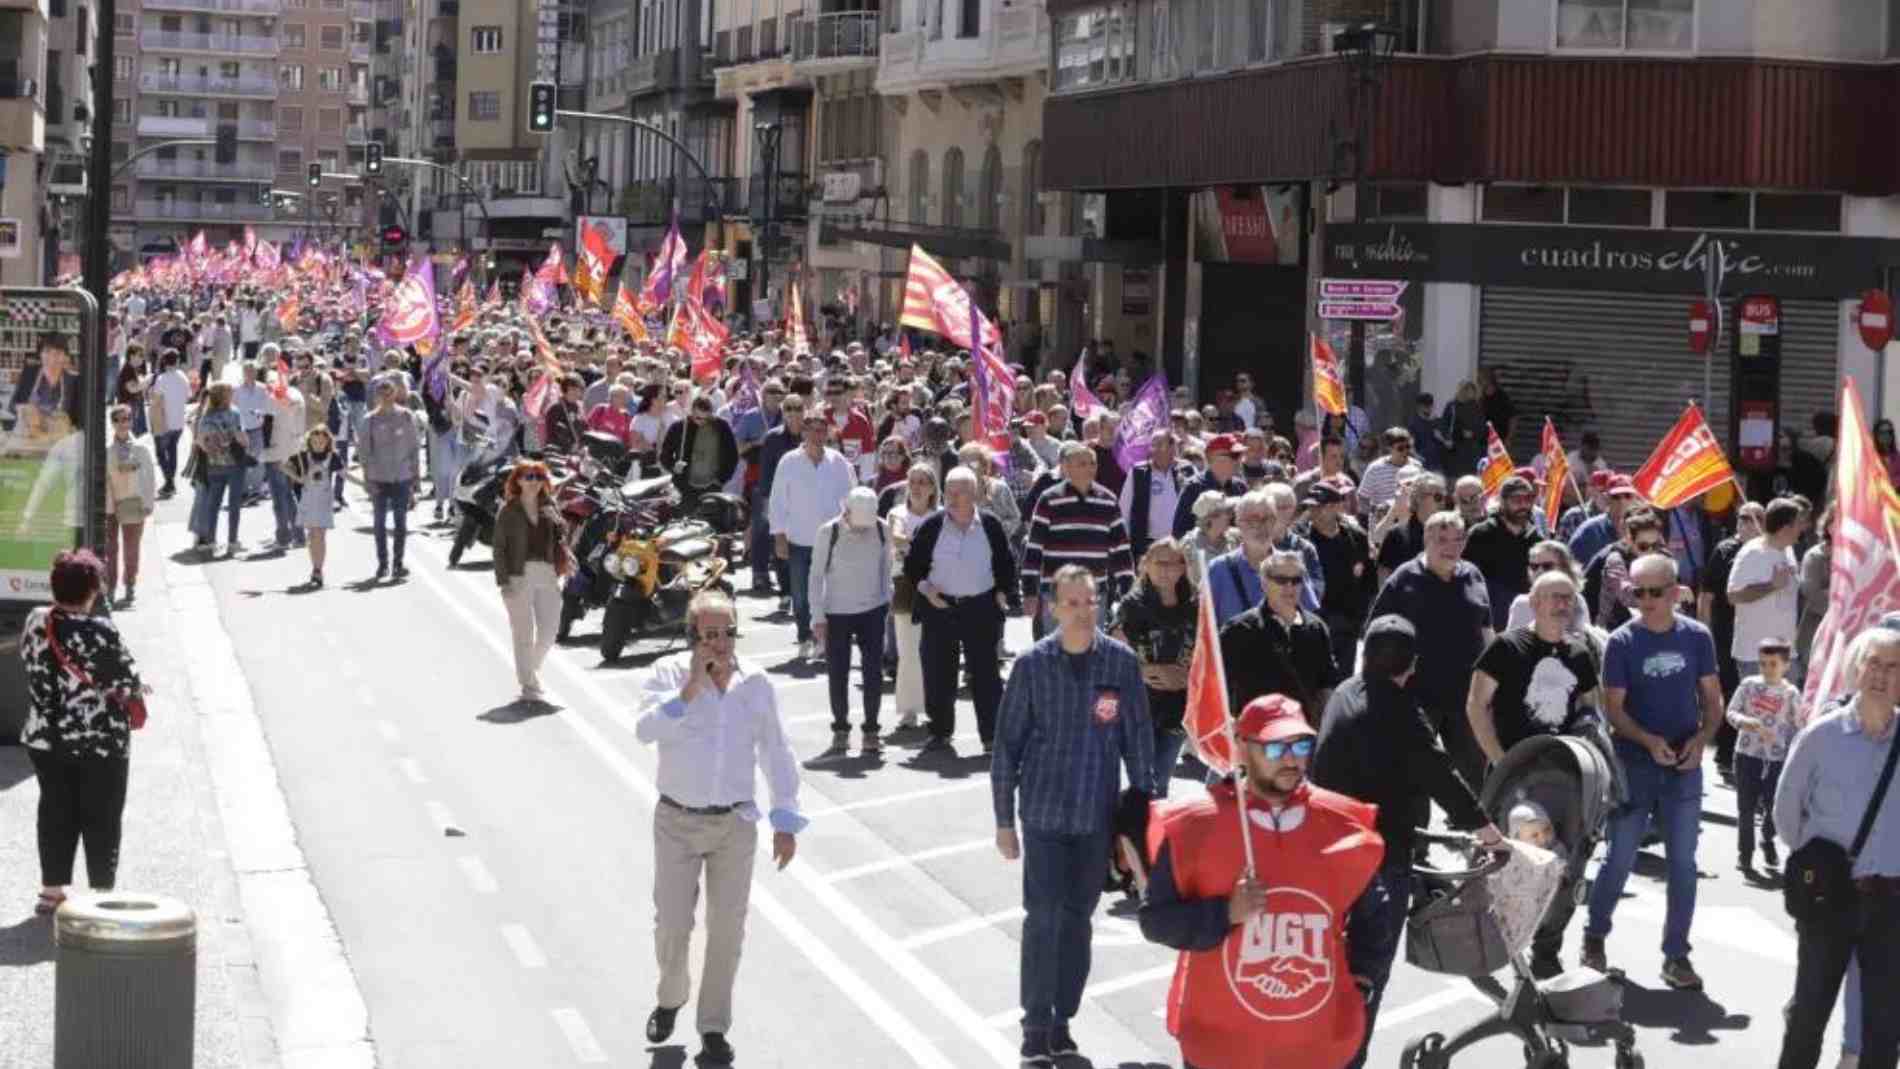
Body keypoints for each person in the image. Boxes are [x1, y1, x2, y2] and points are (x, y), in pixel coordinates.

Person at [1138, 694, 1384, 1069]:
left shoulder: (1343, 823)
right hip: (1221, 1048)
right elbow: (1156, 920)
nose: (1291, 758)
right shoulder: (1194, 826)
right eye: (1275, 747)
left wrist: (1362, 980)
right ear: (1241, 747)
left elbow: (1375, 912)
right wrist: (1224, 913)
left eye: (1301, 745)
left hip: (1314, 1048)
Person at [1311, 617, 1500, 1064]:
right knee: (1367, 974)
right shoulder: (1401, 713)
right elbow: (1443, 778)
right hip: (1377, 862)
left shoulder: (1343, 695)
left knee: (1325, 967)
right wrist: (1491, 835)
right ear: (1411, 666)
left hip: (1324, 858)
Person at [633, 591, 804, 1067]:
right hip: (677, 822)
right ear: (693, 637)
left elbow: (776, 752)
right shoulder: (666, 675)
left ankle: (712, 1026)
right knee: (672, 925)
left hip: (734, 825)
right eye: (710, 634)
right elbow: (645, 731)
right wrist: (690, 688)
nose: (721, 643)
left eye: (728, 632)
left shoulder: (756, 684)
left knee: (727, 931)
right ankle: (671, 998)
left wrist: (785, 820)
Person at [992, 565, 1153, 1066]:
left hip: (1094, 818)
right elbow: (1006, 749)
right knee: (1043, 919)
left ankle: (1063, 1020)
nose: (1083, 611)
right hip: (1042, 816)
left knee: (1078, 921)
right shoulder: (1032, 666)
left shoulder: (1121, 664)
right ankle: (1035, 1024)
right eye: (1072, 603)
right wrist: (1004, 822)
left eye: (1090, 602)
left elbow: (1140, 743)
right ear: (1053, 607)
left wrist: (1142, 821)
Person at [1584, 553, 1723, 991]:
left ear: (1675, 592)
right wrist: (1648, 742)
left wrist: (1701, 741)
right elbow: (1614, 711)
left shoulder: (1697, 637)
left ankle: (1677, 956)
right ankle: (1594, 937)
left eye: (1654, 592)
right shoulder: (1622, 643)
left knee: (1683, 864)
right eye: (1636, 592)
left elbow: (1713, 702)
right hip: (1634, 766)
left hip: (1684, 768)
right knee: (1619, 857)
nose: (1644, 601)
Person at [1774, 626, 1900, 1069]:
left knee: (1885, 1030)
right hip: (1830, 896)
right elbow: (1786, 811)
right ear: (1855, 668)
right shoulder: (1821, 737)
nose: (1881, 674)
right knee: (1810, 1014)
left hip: (1891, 904)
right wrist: (1817, 863)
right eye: (1873, 663)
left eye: (1893, 666)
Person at [21, 550, 147, 915]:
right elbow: (128, 682)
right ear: (92, 590)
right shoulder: (100, 630)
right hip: (100, 741)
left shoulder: (36, 621)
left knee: (55, 811)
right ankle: (99, 893)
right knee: (102, 815)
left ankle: (51, 890)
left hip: (46, 738)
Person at [1368, 509, 1494, 788]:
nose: (1452, 547)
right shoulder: (1404, 578)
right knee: (1412, 773)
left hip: (1465, 695)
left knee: (1474, 775)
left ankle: (1475, 829)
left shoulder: (1473, 575)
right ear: (1426, 538)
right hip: (1417, 694)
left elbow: (1487, 631)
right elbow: (1375, 633)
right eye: (1442, 539)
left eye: (1458, 539)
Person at [903, 467, 1016, 753]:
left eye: (961, 490)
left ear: (975, 493)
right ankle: (939, 732)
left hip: (981, 607)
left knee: (986, 675)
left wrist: (1003, 592)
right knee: (939, 673)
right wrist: (927, 590)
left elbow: (1005, 562)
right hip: (940, 608)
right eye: (949, 490)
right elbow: (912, 568)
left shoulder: (990, 524)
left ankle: (991, 736)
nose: (953, 496)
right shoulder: (931, 526)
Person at [1468, 568, 1602, 770]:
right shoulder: (1506, 646)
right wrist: (1501, 761)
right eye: (1556, 597)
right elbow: (1476, 706)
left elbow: (1590, 709)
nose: (1563, 605)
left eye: (1569, 598)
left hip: (1561, 769)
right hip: (1511, 767)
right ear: (1534, 603)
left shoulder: (1579, 653)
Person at [808, 486, 893, 758]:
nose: (861, 531)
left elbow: (886, 567)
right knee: (838, 674)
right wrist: (818, 616)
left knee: (872, 673)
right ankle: (841, 730)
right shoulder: (828, 532)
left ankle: (871, 730)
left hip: (872, 611)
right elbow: (815, 576)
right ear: (846, 513)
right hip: (837, 612)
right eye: (857, 526)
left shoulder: (881, 529)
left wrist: (885, 602)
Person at [769, 404, 856, 661]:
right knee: (801, 594)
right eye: (813, 430)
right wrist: (779, 536)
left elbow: (851, 497)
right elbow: (777, 501)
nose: (818, 435)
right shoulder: (789, 462)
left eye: (822, 430)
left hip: (834, 541)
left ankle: (824, 639)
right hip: (799, 540)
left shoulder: (839, 462)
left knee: (830, 593)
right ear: (804, 432)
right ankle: (804, 636)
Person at [1112, 538, 1196, 797]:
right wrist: (1142, 672)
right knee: (1144, 780)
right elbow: (1114, 652)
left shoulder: (1195, 604)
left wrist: (1185, 677)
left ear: (1183, 568)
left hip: (1179, 707)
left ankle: (1152, 830)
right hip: (1140, 705)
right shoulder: (1132, 605)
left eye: (1174, 563)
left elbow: (1206, 653)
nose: (1166, 569)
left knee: (1161, 779)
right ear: (1145, 565)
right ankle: (1137, 831)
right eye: (1159, 562)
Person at [1021, 442, 1136, 629]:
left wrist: (1127, 592)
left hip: (1094, 593)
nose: (1090, 468)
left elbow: (1121, 550)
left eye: (1092, 463)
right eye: (1082, 463)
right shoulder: (1049, 499)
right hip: (1057, 593)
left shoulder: (1108, 500)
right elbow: (1034, 548)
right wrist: (1029, 592)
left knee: (1091, 652)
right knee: (1055, 651)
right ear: (1066, 467)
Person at [1220, 549, 1340, 720]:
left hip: (1303, 734)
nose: (1289, 587)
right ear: (1264, 583)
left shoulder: (1316, 628)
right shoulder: (1238, 630)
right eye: (1281, 580)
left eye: (1296, 580)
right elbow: (1218, 683)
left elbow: (1327, 683)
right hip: (1257, 735)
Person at [493, 459, 569, 703]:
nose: (534, 481)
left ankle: (530, 668)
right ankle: (528, 683)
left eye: (538, 476)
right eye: (528, 476)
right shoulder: (508, 510)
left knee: (549, 630)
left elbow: (564, 536)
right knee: (523, 633)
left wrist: (557, 521)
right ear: (517, 480)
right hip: (518, 573)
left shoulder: (550, 505)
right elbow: (499, 548)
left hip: (546, 571)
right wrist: (504, 582)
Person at [1728, 637, 1802, 875]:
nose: (1767, 669)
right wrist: (1745, 722)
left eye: (1773, 664)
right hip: (1746, 754)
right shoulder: (1749, 685)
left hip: (1776, 759)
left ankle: (1767, 839)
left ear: (1785, 665)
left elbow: (1800, 725)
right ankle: (1744, 854)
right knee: (1746, 807)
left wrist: (1792, 748)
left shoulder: (1791, 693)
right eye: (1762, 663)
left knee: (1773, 807)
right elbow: (1731, 712)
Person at [1701, 501, 1766, 773]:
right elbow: (1707, 594)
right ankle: (1725, 753)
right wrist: (1703, 630)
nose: (1744, 523)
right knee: (1729, 688)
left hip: (1756, 632)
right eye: (1741, 518)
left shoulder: (1768, 552)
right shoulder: (1725, 550)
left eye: (1752, 518)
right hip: (1725, 630)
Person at [885, 463, 939, 731]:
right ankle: (908, 710)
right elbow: (897, 539)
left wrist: (914, 546)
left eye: (922, 482)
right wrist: (925, 547)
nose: (916, 487)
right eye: (913, 481)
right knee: (908, 651)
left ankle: (935, 705)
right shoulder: (897, 513)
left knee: (936, 651)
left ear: (932, 488)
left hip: (939, 586)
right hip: (906, 586)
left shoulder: (942, 515)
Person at [1729, 498, 1803, 679]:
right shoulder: (1751, 553)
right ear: (1785, 529)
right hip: (1756, 658)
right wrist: (1771, 586)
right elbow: (1733, 596)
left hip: (1787, 655)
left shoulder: (1788, 551)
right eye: (1798, 524)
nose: (1802, 529)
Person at [358, 375, 422, 581]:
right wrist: (367, 479)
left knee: (400, 523)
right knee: (379, 523)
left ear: (395, 394)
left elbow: (414, 448)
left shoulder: (406, 416)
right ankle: (382, 563)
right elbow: (364, 453)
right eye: (381, 393)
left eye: (389, 393)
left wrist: (415, 478)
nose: (385, 397)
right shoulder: (370, 420)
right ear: (376, 396)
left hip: (402, 477)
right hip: (379, 477)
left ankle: (398, 563)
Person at [1464, 475, 1541, 630]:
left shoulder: (1536, 539)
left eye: (1528, 499)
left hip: (1524, 623)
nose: (1523, 505)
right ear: (1503, 502)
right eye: (1516, 500)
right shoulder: (1480, 534)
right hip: (1486, 622)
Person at [102, 405, 157, 606]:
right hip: (110, 504)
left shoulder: (142, 448)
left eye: (127, 418)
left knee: (131, 548)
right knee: (110, 550)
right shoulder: (107, 450)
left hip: (133, 502)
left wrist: (149, 503)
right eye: (119, 420)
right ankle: (110, 589)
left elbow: (150, 478)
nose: (124, 423)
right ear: (113, 423)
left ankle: (130, 584)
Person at [752, 391, 803, 600]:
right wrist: (766, 501)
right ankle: (785, 591)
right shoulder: (772, 437)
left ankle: (800, 589)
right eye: (788, 408)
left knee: (801, 545)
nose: (793, 413)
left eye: (797, 408)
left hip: (804, 500)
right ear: (783, 412)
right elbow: (765, 472)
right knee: (781, 545)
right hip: (779, 500)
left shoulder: (810, 435)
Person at [191, 382, 248, 556]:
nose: (233, 395)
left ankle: (210, 540)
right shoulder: (235, 413)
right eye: (230, 392)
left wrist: (212, 449)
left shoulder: (206, 416)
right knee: (234, 505)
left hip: (214, 465)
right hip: (234, 466)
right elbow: (243, 439)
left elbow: (199, 441)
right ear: (224, 396)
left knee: (213, 505)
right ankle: (232, 541)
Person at [284, 425, 341, 589]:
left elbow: (344, 473)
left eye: (322, 442)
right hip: (308, 501)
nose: (318, 445)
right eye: (315, 442)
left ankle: (318, 569)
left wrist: (366, 484)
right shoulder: (302, 457)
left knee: (320, 535)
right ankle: (315, 566)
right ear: (310, 441)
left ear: (327, 442)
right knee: (312, 535)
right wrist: (298, 478)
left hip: (324, 502)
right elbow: (283, 465)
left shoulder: (333, 457)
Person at [1120, 430, 1192, 561]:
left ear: (1172, 447)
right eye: (1153, 445)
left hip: (1179, 543)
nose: (1154, 449)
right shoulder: (1138, 473)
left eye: (1159, 444)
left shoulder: (1187, 470)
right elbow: (1124, 509)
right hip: (1146, 545)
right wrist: (1123, 544)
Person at [660, 394, 741, 499]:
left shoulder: (721, 426)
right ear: (692, 411)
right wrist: (673, 466)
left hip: (711, 486)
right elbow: (665, 454)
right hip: (684, 486)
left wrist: (721, 479)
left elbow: (732, 455)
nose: (701, 422)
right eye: (698, 418)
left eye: (706, 418)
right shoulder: (679, 427)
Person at [262, 372, 308, 550]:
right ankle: (299, 535)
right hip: (293, 449)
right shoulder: (296, 394)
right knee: (288, 495)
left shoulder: (274, 397)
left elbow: (266, 423)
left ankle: (283, 537)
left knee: (279, 498)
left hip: (276, 452)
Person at [1503, 541, 1590, 634]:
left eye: (1547, 566)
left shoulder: (1578, 600)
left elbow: (1584, 641)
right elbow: (1511, 645)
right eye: (1534, 567)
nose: (1539, 571)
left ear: (1565, 569)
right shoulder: (1522, 604)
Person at [1170, 434, 1246, 538]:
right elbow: (1179, 532)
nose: (1240, 460)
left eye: (1240, 455)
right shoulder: (1193, 487)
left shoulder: (1240, 487)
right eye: (1235, 455)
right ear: (1214, 457)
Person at [149, 350, 191, 498]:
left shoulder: (161, 379)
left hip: (164, 421)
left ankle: (169, 482)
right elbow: (189, 395)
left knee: (161, 453)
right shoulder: (183, 377)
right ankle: (170, 482)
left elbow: (155, 399)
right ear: (177, 361)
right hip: (178, 421)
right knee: (172, 451)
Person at [1357, 428, 1421, 516]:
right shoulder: (1375, 468)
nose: (1406, 451)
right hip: (1381, 524)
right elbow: (1362, 499)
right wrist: (1376, 510)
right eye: (1400, 448)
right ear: (1389, 449)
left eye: (1408, 447)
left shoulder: (1416, 466)